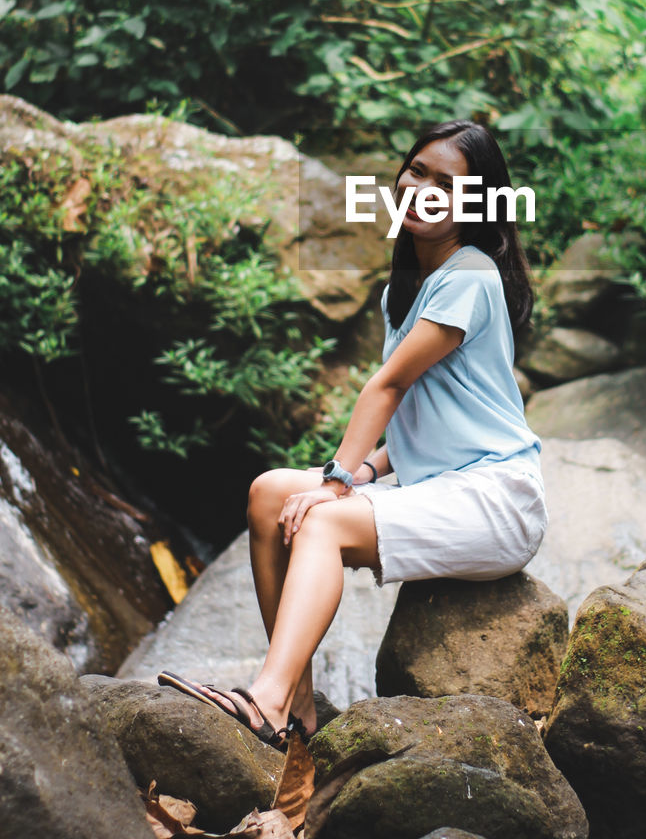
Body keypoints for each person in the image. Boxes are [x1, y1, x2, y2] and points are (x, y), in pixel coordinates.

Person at [158, 119, 547, 750]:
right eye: (416, 170)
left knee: (321, 519)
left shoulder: (471, 274)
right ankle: (296, 704)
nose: (421, 188)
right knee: (268, 492)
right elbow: (436, 413)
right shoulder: (408, 286)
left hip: (498, 500)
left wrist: (338, 481)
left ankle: (265, 696)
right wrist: (365, 471)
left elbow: (388, 388)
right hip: (447, 484)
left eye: (447, 184)